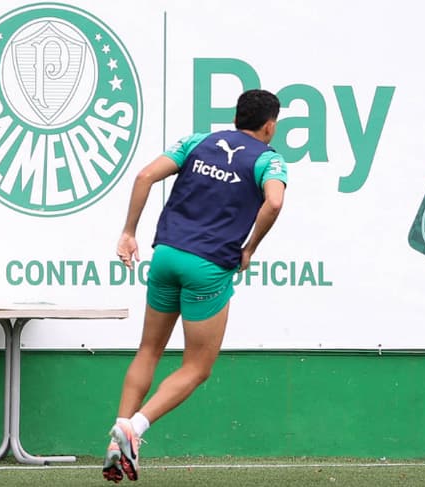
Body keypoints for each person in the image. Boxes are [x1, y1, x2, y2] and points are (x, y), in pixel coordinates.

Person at [102, 89, 288, 482]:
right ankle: (135, 428)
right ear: (270, 124)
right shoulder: (268, 160)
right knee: (197, 367)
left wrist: (128, 232)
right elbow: (273, 204)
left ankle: (118, 440)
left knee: (149, 350)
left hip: (167, 254)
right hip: (207, 266)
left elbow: (144, 176)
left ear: (237, 116)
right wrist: (250, 247)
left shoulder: (197, 141)